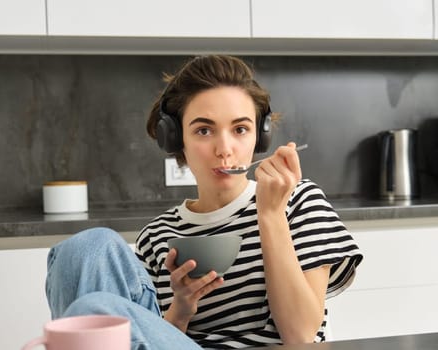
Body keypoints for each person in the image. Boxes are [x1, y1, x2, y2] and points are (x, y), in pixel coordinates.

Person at [44, 55, 363, 349]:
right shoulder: (158, 235)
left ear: (260, 136)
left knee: (94, 312)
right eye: (204, 130)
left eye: (240, 129)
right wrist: (181, 309)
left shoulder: (297, 201)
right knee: (87, 248)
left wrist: (270, 213)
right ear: (176, 138)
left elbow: (301, 335)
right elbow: (149, 338)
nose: (225, 148)